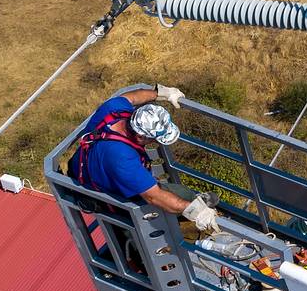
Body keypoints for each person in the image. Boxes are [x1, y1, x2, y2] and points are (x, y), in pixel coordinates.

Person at [67, 84, 219, 231]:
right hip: (111, 196)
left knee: (183, 194)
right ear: (141, 136)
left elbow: (132, 97)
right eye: (154, 139)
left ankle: (191, 204)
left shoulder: (114, 109)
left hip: (94, 168)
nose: (154, 143)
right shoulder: (122, 157)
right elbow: (154, 197)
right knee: (157, 222)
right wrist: (196, 212)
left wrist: (161, 93)